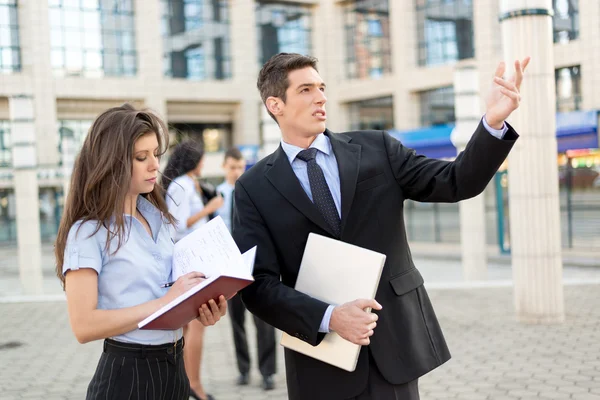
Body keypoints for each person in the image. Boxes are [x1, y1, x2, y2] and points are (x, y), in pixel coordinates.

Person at [232, 53, 530, 400]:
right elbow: (258, 286)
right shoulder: (253, 187)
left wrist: (491, 123)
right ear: (275, 104)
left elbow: (456, 181)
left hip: (392, 344)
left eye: (322, 87)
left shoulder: (377, 148)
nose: (321, 97)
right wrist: (329, 316)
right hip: (319, 358)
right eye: (306, 89)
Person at [54, 103, 227, 400]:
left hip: (174, 369)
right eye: (140, 157)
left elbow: (163, 298)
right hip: (128, 375)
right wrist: (167, 302)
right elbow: (83, 326)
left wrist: (199, 307)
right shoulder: (88, 232)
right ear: (112, 163)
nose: (154, 166)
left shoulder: (159, 219)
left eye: (156, 155)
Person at [162, 140, 224, 400]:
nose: (203, 163)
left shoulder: (187, 183)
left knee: (189, 328)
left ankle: (186, 384)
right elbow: (176, 225)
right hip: (191, 262)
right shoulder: (181, 186)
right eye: (201, 158)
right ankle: (194, 386)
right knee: (196, 326)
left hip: (196, 260)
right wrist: (209, 210)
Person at [215, 148, 277, 390]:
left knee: (264, 319)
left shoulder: (253, 193)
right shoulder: (215, 195)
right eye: (232, 167)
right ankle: (243, 369)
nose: (236, 172)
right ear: (224, 167)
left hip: (253, 265)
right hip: (227, 267)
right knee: (236, 320)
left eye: (240, 167)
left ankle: (268, 372)